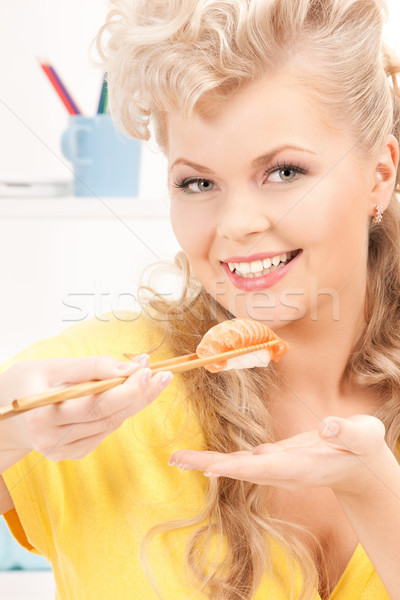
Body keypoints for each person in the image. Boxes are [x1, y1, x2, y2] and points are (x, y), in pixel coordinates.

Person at [1, 0, 400, 598]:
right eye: (198, 182)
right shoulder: (84, 391)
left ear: (380, 172)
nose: (236, 224)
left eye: (284, 172)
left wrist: (375, 491)